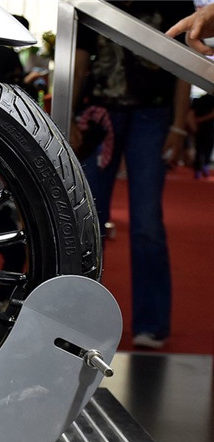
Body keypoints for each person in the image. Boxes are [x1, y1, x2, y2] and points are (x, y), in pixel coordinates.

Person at [72, 1, 194, 349]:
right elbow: (78, 61)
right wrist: (66, 115)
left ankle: (152, 323)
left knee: (147, 221)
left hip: (152, 115)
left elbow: (182, 64)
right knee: (87, 220)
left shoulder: (174, 2)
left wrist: (179, 126)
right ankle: (76, 318)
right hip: (99, 113)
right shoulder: (95, 2)